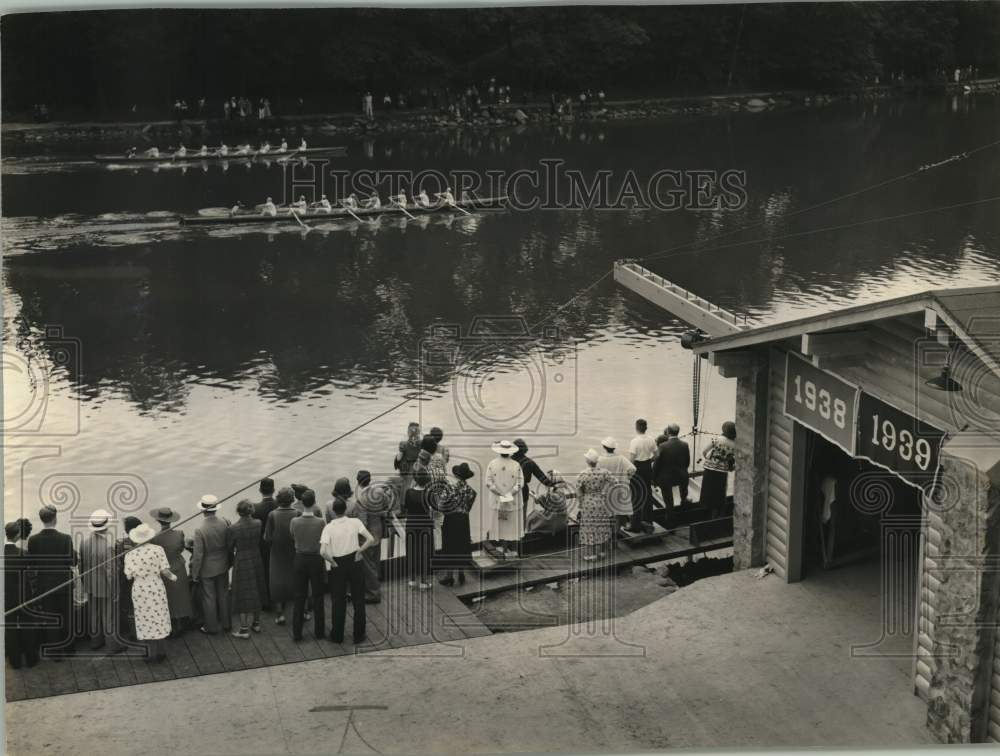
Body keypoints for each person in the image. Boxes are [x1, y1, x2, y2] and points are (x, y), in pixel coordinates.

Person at [320, 497, 375, 645]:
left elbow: (323, 552)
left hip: (338, 565)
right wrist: (359, 551)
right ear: (345, 509)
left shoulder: (329, 527)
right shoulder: (355, 522)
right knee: (358, 600)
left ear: (333, 511)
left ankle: (337, 635)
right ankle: (359, 634)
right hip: (355, 562)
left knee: (338, 601)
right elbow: (370, 539)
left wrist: (332, 562)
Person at [27, 505, 76, 658]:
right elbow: (72, 562)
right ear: (55, 518)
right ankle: (69, 649)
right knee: (68, 617)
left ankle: (55, 653)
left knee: (51, 619)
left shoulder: (33, 540)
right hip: (64, 583)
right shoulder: (66, 538)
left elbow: (32, 564)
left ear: (42, 520)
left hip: (45, 585)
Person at [123, 523, 176, 663]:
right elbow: (165, 571)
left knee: (145, 619)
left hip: (140, 588)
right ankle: (161, 652)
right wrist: (174, 577)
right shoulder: (158, 550)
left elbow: (128, 576)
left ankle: (149, 654)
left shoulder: (129, 555)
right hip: (155, 586)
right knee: (159, 617)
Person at [80, 509, 125, 653]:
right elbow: (110, 572)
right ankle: (112, 646)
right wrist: (115, 590)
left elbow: (81, 566)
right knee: (109, 616)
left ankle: (95, 641)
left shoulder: (84, 543)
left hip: (90, 584)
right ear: (106, 527)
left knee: (94, 613)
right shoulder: (108, 546)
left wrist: (84, 581)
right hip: (105, 586)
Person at [190, 494, 231, 635]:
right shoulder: (225, 522)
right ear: (216, 509)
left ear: (203, 510)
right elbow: (229, 544)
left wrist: (195, 574)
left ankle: (211, 627)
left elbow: (198, 556)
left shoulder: (200, 529)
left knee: (209, 598)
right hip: (223, 563)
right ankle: (226, 623)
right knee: (223, 594)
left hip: (207, 568)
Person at [289, 490, 327, 642]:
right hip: (316, 559)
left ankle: (297, 633)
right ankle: (319, 632)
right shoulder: (320, 522)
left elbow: (292, 536)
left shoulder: (294, 522)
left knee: (299, 597)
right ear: (314, 501)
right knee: (318, 596)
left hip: (300, 559)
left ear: (302, 503)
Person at [348, 471, 391, 603]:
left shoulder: (361, 500)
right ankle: (376, 587)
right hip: (378, 531)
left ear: (358, 482)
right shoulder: (378, 492)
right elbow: (387, 505)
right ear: (369, 480)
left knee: (368, 566)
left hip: (368, 536)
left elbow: (363, 523)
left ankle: (373, 594)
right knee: (375, 562)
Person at [150, 507, 192, 636]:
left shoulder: (156, 538)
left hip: (165, 571)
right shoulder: (179, 533)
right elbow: (180, 549)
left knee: (169, 598)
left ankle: (173, 626)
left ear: (158, 520)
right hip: (179, 567)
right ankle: (183, 622)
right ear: (171, 520)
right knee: (182, 596)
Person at [228, 499, 267, 638]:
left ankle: (244, 629)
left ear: (238, 512)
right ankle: (256, 623)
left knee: (242, 593)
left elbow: (230, 547)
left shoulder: (234, 528)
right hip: (256, 558)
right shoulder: (258, 523)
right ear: (251, 510)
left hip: (242, 560)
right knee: (257, 588)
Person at [5, 520, 39, 669]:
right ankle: (31, 659)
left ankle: (15, 661)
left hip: (6, 597)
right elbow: (34, 567)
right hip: (24, 596)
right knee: (28, 626)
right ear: (18, 535)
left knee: (10, 629)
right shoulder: (22, 554)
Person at [437, 463, 476, 586]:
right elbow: (469, 506)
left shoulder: (450, 488)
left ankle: (449, 576)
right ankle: (461, 573)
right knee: (462, 545)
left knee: (450, 546)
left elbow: (441, 505)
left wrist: (446, 511)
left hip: (451, 519)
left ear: (457, 475)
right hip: (464, 520)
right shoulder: (471, 491)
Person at [264, 486, 298, 625]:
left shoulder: (272, 515)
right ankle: (302, 611)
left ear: (278, 499)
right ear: (292, 499)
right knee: (296, 579)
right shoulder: (298, 513)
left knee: (277, 580)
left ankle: (280, 614)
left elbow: (267, 537)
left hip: (277, 552)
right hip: (294, 551)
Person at [485, 440, 525, 558]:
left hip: (497, 500)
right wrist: (509, 494)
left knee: (501, 525)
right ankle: (514, 551)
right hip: (513, 500)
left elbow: (488, 482)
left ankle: (504, 550)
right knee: (512, 525)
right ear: (510, 452)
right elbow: (520, 482)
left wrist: (499, 493)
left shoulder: (492, 463)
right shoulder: (516, 464)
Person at [577, 449, 615, 561]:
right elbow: (615, 482)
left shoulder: (583, 474)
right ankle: (602, 553)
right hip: (600, 502)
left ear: (587, 461)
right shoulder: (604, 472)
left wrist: (580, 504)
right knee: (602, 526)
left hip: (588, 503)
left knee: (590, 528)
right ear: (596, 461)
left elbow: (578, 491)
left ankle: (592, 555)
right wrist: (604, 490)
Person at [402, 469, 436, 588]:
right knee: (425, 552)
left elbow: (406, 508)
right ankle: (423, 581)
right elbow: (434, 508)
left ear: (415, 480)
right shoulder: (429, 493)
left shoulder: (409, 492)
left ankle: (411, 580)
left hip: (411, 523)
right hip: (425, 524)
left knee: (411, 551)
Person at [595, 437, 636, 534]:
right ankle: (615, 534)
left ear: (604, 447)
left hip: (605, 490)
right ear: (614, 448)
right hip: (618, 489)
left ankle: (607, 534)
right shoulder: (621, 459)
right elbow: (633, 469)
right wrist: (627, 478)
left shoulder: (600, 460)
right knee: (617, 512)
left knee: (606, 512)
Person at [653, 424, 691, 522]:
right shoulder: (685, 445)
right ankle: (685, 514)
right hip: (682, 476)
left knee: (669, 502)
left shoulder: (662, 446)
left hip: (667, 478)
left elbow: (656, 464)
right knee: (684, 495)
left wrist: (653, 478)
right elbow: (687, 462)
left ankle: (671, 523)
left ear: (668, 432)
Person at [511, 439, 553, 526]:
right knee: (521, 518)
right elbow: (543, 479)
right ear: (525, 449)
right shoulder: (530, 463)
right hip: (523, 491)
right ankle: (520, 536)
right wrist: (555, 482)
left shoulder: (507, 461)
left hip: (508, 490)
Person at [700, 421, 737, 519]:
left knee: (708, 493)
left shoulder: (717, 439)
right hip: (722, 473)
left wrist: (709, 459)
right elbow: (733, 462)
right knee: (719, 495)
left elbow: (704, 451)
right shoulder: (735, 444)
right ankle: (717, 516)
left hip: (709, 470)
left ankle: (707, 516)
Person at [627, 419, 658, 534]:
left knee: (636, 495)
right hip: (647, 467)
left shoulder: (634, 441)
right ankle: (648, 522)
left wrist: (629, 474)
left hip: (638, 468)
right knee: (648, 494)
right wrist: (649, 461)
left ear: (636, 427)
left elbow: (631, 460)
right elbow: (657, 454)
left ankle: (635, 525)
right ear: (646, 428)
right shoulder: (651, 439)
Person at [252, 477, 277, 609]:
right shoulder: (280, 505)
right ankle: (280, 600)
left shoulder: (255, 509)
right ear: (273, 490)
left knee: (265, 573)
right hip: (278, 545)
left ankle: (266, 601)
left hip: (262, 546)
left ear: (260, 490)